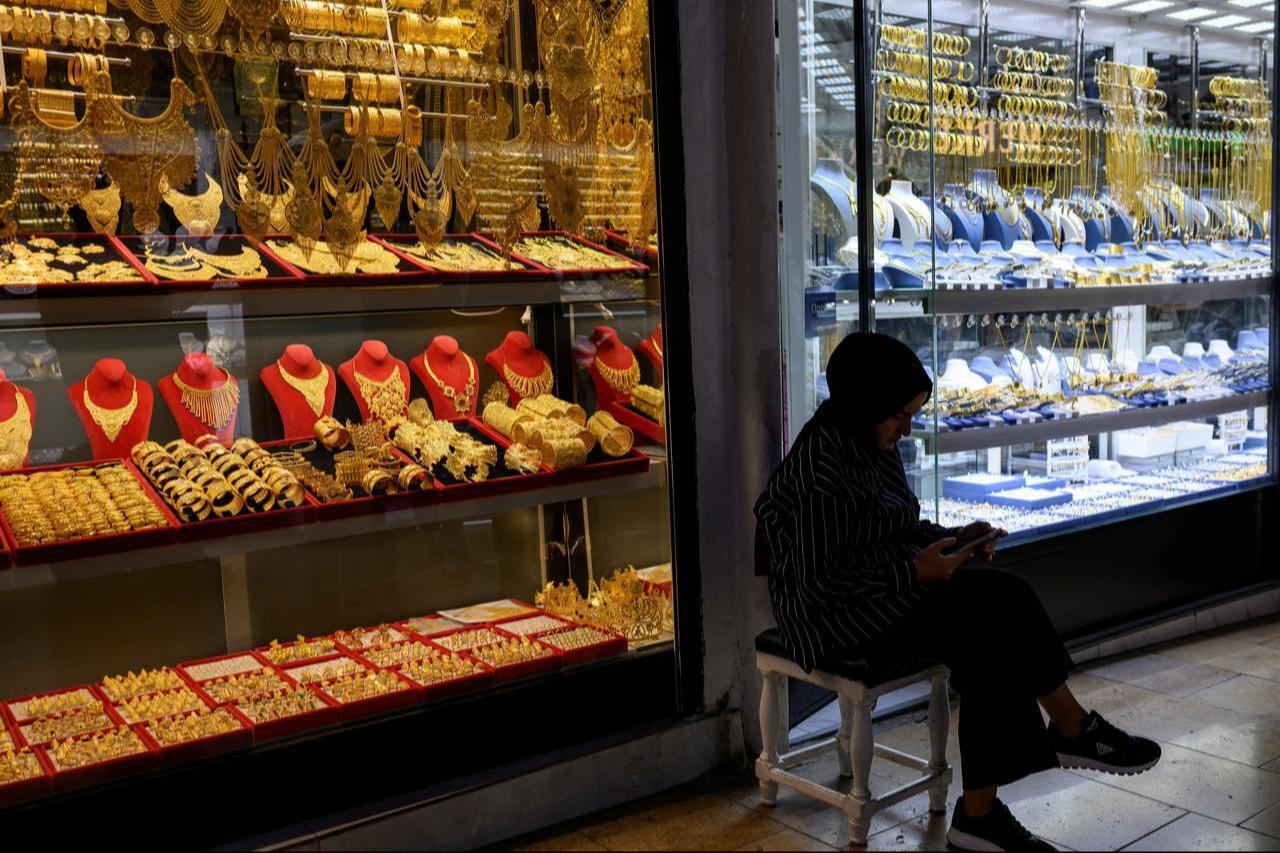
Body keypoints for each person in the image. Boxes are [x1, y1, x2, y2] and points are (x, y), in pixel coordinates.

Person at [754, 333, 1160, 852]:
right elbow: (821, 582)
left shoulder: (866, 440)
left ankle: (997, 799)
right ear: (867, 404)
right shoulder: (820, 466)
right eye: (900, 415)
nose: (906, 428)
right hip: (832, 618)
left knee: (995, 605)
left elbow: (894, 527)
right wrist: (914, 574)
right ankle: (1048, 750)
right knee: (989, 611)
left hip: (881, 590)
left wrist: (953, 540)